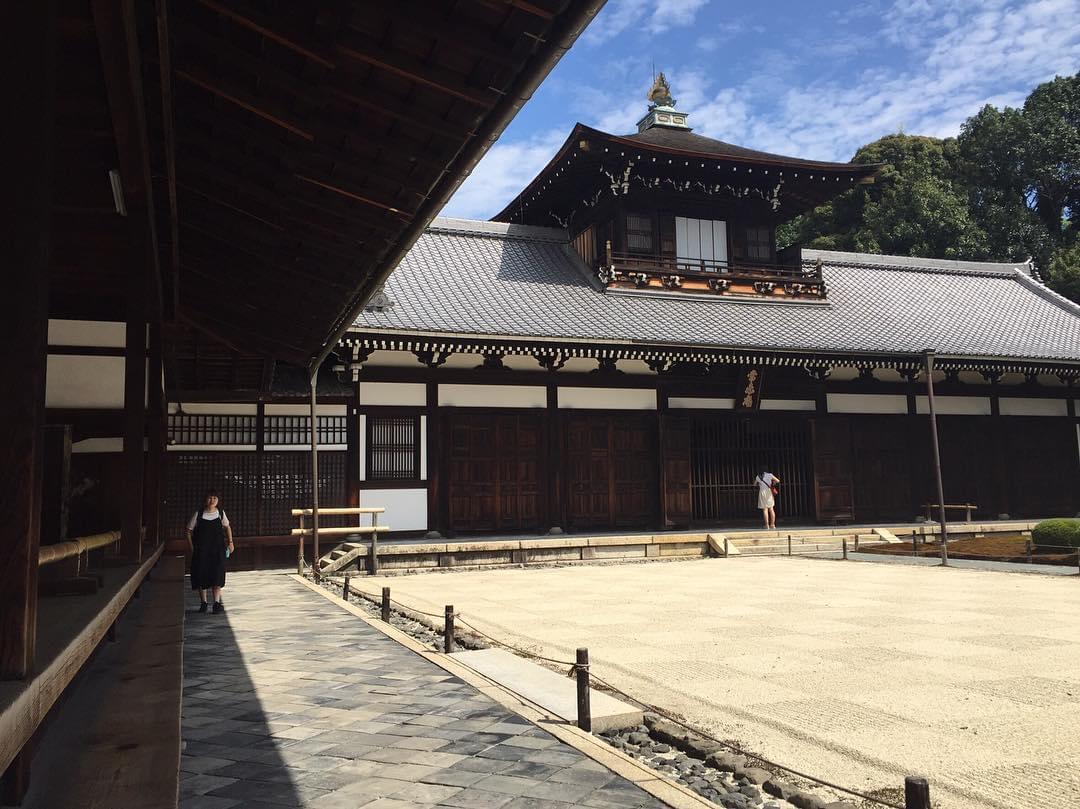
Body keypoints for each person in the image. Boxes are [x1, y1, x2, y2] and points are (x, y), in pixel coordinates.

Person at [186, 490, 234, 613]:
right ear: (205, 499)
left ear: (218, 500)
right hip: (202, 551)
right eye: (209, 498)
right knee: (201, 575)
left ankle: (216, 603)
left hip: (217, 550)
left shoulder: (220, 513)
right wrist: (192, 547)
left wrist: (230, 542)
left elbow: (227, 527)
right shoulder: (199, 513)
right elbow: (189, 531)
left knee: (217, 575)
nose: (212, 500)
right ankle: (203, 603)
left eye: (214, 498)